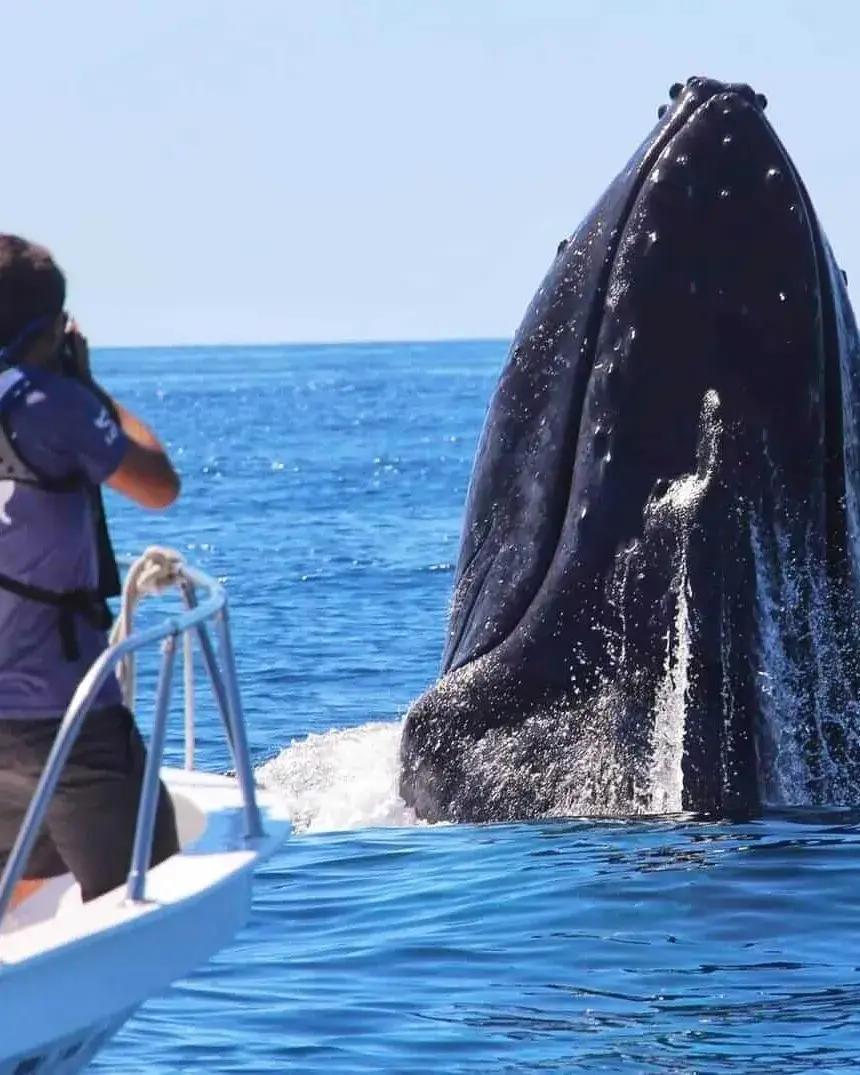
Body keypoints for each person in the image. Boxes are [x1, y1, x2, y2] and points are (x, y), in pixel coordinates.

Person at [0, 234, 182, 907]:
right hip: (62, 712)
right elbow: (158, 485)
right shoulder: (51, 402)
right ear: (49, 326)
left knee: (28, 866)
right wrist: (86, 383)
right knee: (158, 877)